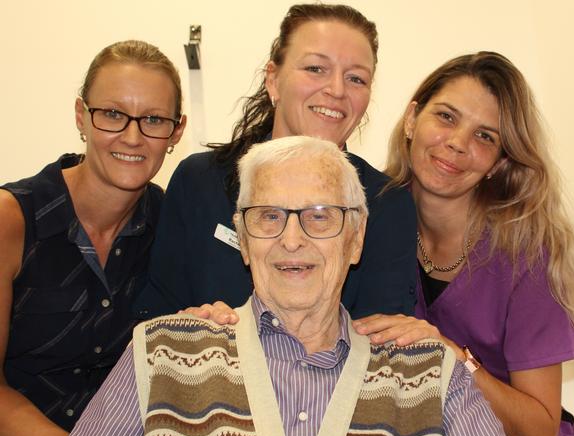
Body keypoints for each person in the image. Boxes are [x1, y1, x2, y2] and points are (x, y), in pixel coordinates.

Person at [37, 136, 553, 436]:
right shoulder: (163, 354)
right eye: (267, 216)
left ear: (356, 240)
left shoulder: (424, 371)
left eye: (320, 216)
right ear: (242, 240)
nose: (291, 239)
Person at [352, 51, 574, 436]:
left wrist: (451, 355)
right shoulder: (366, 221)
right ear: (412, 120)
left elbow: (540, 435)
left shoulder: (524, 255)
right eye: (445, 117)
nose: (458, 143)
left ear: (499, 162)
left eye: (484, 136)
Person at [134, 3, 416, 322]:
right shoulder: (199, 182)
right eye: (315, 69)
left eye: (356, 78)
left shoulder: (386, 206)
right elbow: (157, 314)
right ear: (273, 79)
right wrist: (192, 323)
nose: (337, 90)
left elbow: (381, 341)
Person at [0, 40, 186, 436]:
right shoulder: (12, 220)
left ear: (176, 132)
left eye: (154, 120)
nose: (133, 136)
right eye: (113, 114)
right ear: (81, 115)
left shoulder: (173, 225)